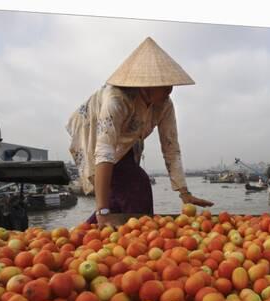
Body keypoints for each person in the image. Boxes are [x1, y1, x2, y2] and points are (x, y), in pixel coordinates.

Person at [66, 37, 213, 228]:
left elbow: (171, 147)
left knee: (123, 192)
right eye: (163, 84)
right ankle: (120, 229)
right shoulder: (117, 99)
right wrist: (102, 211)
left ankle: (97, 231)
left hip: (127, 142)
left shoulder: (164, 105)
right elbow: (104, 150)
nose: (170, 88)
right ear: (147, 85)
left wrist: (184, 192)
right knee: (134, 184)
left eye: (170, 83)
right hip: (93, 134)